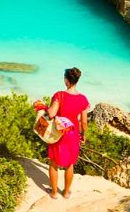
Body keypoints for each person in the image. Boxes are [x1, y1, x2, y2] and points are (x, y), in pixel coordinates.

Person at [43, 67, 89, 199]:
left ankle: (54, 193)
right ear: (77, 80)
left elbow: (51, 113)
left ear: (66, 80)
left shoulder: (60, 95)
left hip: (59, 133)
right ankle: (66, 192)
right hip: (73, 134)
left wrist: (45, 107)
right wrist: (83, 135)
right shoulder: (83, 99)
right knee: (70, 165)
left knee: (54, 163)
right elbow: (84, 122)